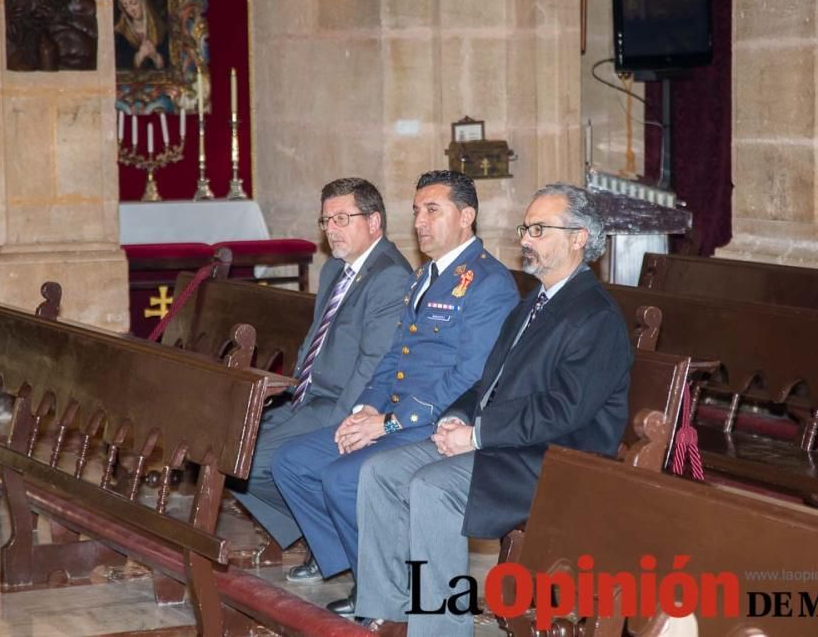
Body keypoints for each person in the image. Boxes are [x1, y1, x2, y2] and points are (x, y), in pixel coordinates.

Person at [355, 183, 634, 636]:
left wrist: (478, 434)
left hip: (557, 458)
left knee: (433, 487)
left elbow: (562, 411)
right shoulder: (534, 303)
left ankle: (440, 630)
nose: (526, 239)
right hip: (508, 442)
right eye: (527, 228)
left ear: (579, 238)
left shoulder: (594, 315)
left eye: (540, 229)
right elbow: (489, 381)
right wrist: (458, 415)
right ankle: (389, 613)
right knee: (381, 472)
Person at [273, 170, 519, 615]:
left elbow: (470, 377)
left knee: (343, 477)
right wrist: (364, 408)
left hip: (435, 424)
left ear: (467, 216)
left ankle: (387, 594)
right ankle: (374, 576)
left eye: (432, 210)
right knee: (294, 461)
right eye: (416, 211)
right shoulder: (425, 276)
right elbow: (392, 358)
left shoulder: (487, 282)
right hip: (394, 414)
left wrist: (386, 423)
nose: (420, 222)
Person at [230, 178, 411, 553]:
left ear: (374, 222)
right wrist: (285, 389)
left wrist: (340, 424)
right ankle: (326, 539)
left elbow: (374, 364)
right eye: (326, 220)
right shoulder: (334, 270)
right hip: (305, 395)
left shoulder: (390, 275)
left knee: (254, 461)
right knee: (227, 446)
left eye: (342, 219)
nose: (331, 230)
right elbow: (315, 337)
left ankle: (340, 541)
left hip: (339, 404)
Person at [6, 0, 97, 71]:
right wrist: (13, 21)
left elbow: (98, 36)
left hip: (75, 65)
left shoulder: (81, 5)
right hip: (38, 58)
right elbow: (15, 35)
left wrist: (61, 18)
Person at [114, 0, 167, 70]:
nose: (131, 10)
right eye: (126, 6)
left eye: (133, 3)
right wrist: (139, 56)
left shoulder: (160, 29)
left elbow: (169, 65)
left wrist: (155, 56)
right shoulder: (120, 33)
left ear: (143, 2)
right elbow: (119, 65)